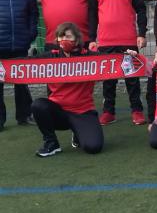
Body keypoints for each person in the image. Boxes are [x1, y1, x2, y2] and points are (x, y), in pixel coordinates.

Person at [88, 0, 147, 126]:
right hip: (106, 42)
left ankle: (137, 110)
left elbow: (141, 9)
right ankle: (108, 112)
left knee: (132, 78)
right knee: (108, 80)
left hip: (128, 40)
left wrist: (141, 34)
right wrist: (92, 38)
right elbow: (92, 14)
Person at [31, 22, 104, 157]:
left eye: (68, 37)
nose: (64, 40)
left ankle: (78, 131)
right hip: (58, 111)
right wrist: (4, 67)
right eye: (61, 36)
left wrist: (130, 55)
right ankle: (51, 143)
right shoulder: (50, 56)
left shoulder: (89, 56)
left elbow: (112, 60)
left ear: (76, 39)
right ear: (57, 39)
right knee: (38, 105)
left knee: (94, 147)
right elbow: (25, 63)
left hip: (83, 111)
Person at [0, 0, 38, 131]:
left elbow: (33, 13)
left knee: (21, 82)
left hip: (21, 42)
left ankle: (24, 115)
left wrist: (30, 34)